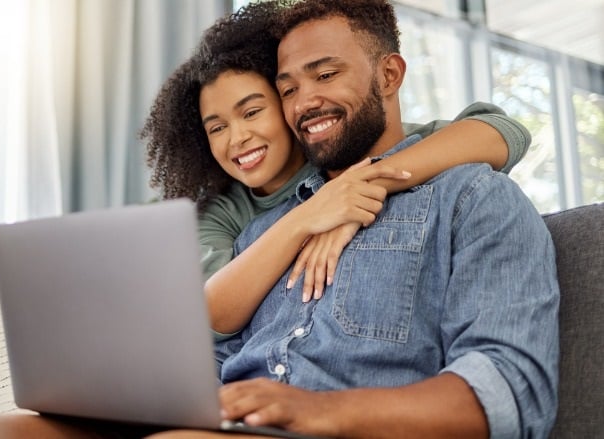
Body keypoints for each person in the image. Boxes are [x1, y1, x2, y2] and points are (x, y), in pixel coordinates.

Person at [150, 0, 560, 438]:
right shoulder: (259, 234)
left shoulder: (471, 198)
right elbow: (218, 357)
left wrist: (315, 410)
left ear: (389, 75)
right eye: (288, 90)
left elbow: (512, 392)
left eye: (326, 75)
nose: (306, 102)